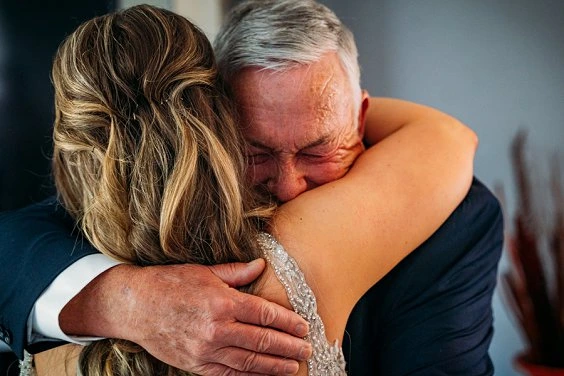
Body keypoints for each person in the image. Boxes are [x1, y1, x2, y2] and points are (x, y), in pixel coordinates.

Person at [0, 0, 502, 374]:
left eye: (316, 150)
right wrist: (127, 302)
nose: (288, 185)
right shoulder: (166, 199)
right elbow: (17, 242)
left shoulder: (455, 217)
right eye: (255, 153)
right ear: (214, 135)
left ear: (362, 117)